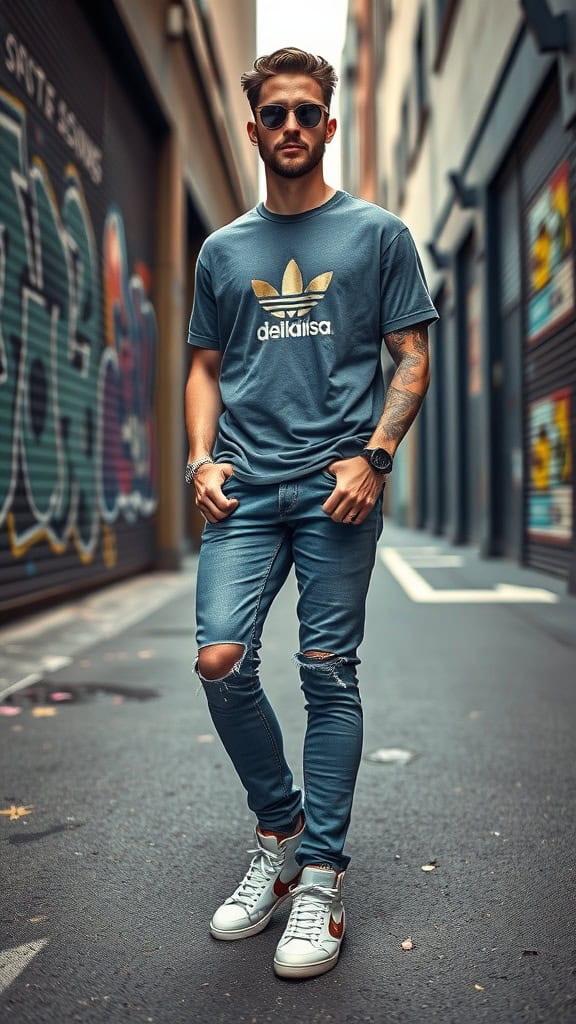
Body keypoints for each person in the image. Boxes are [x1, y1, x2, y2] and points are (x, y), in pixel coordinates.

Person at [185, 47, 438, 979]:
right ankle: (278, 825)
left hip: (337, 490)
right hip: (247, 488)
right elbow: (204, 366)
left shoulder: (378, 236)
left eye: (306, 114)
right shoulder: (223, 251)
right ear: (254, 129)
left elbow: (411, 356)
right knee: (219, 658)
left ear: (329, 125)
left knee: (328, 671)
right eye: (275, 115)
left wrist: (376, 458)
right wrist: (200, 458)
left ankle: (320, 875)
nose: (291, 128)